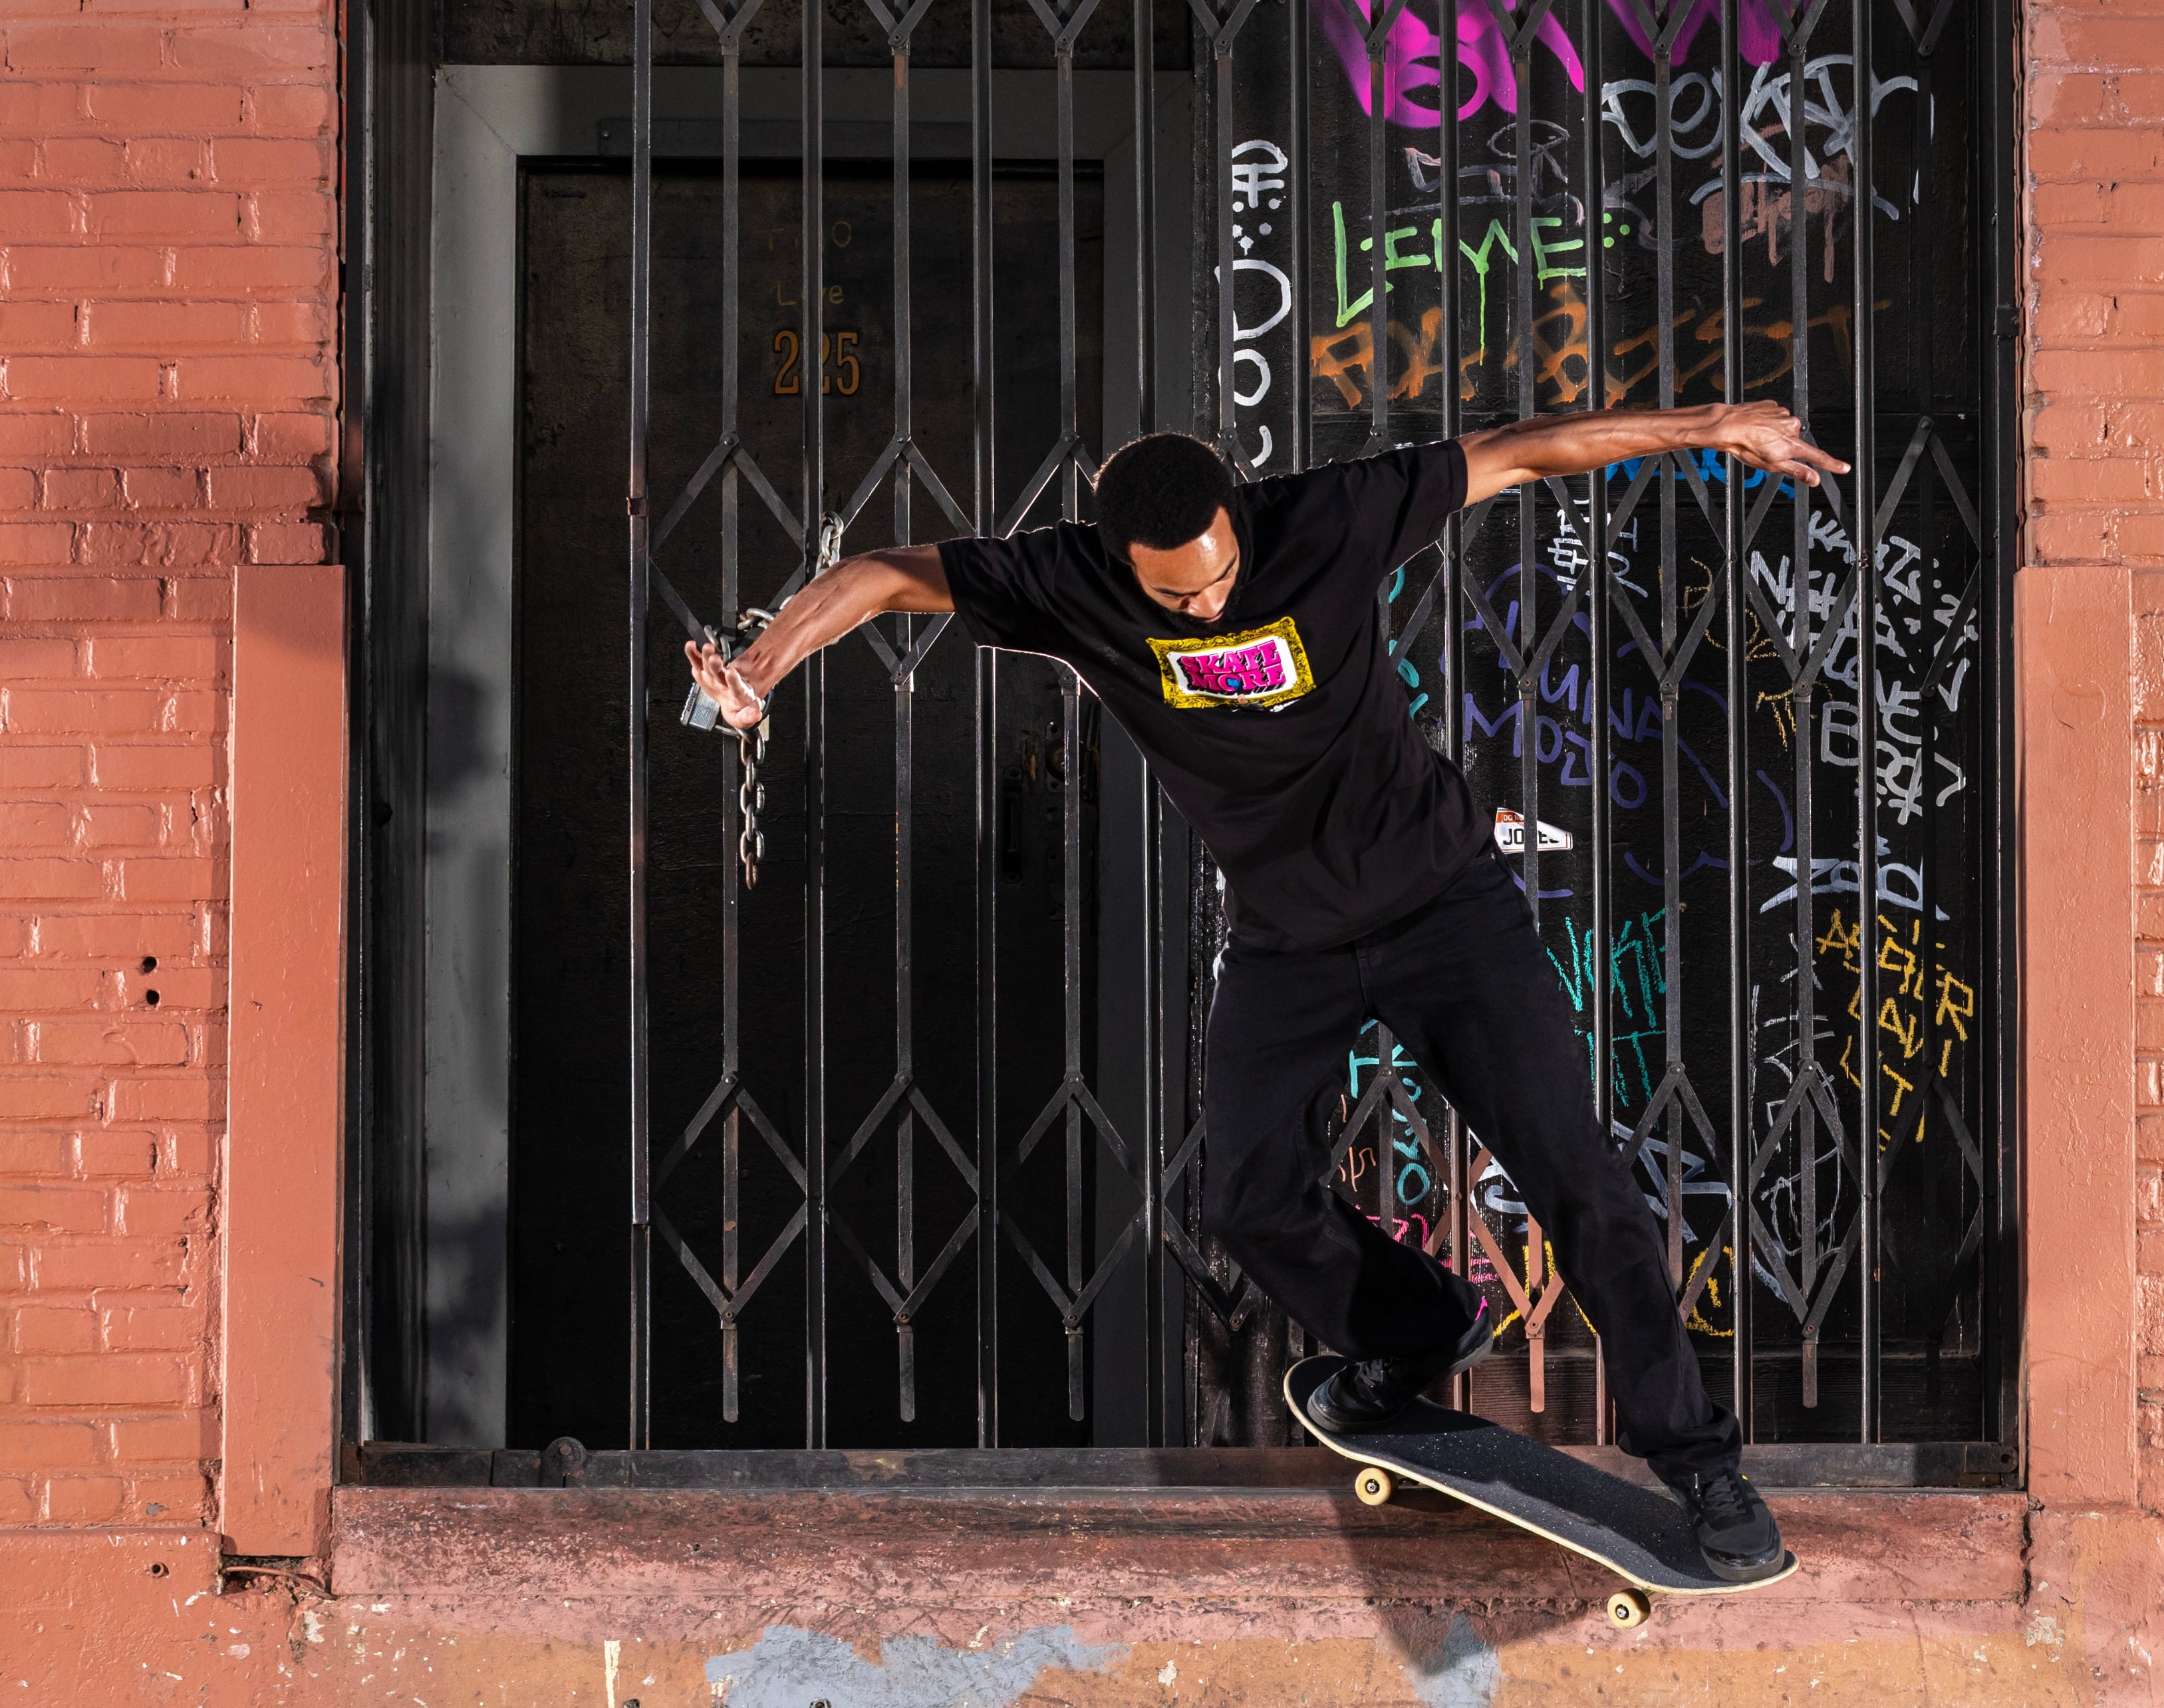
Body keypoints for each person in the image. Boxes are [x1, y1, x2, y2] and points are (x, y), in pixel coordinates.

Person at [685, 398, 1846, 1578]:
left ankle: (1701, 1465)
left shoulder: (1327, 518)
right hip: (1289, 941)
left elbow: (1521, 451)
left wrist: (1714, 425)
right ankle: (1419, 1327)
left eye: (1221, 578)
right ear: (1116, 566)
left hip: (1446, 910)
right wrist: (762, 668)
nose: (1208, 607)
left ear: (1239, 522)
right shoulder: (1070, 582)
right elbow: (882, 575)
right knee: (1249, 1197)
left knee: (1577, 1180)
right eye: (1176, 598)